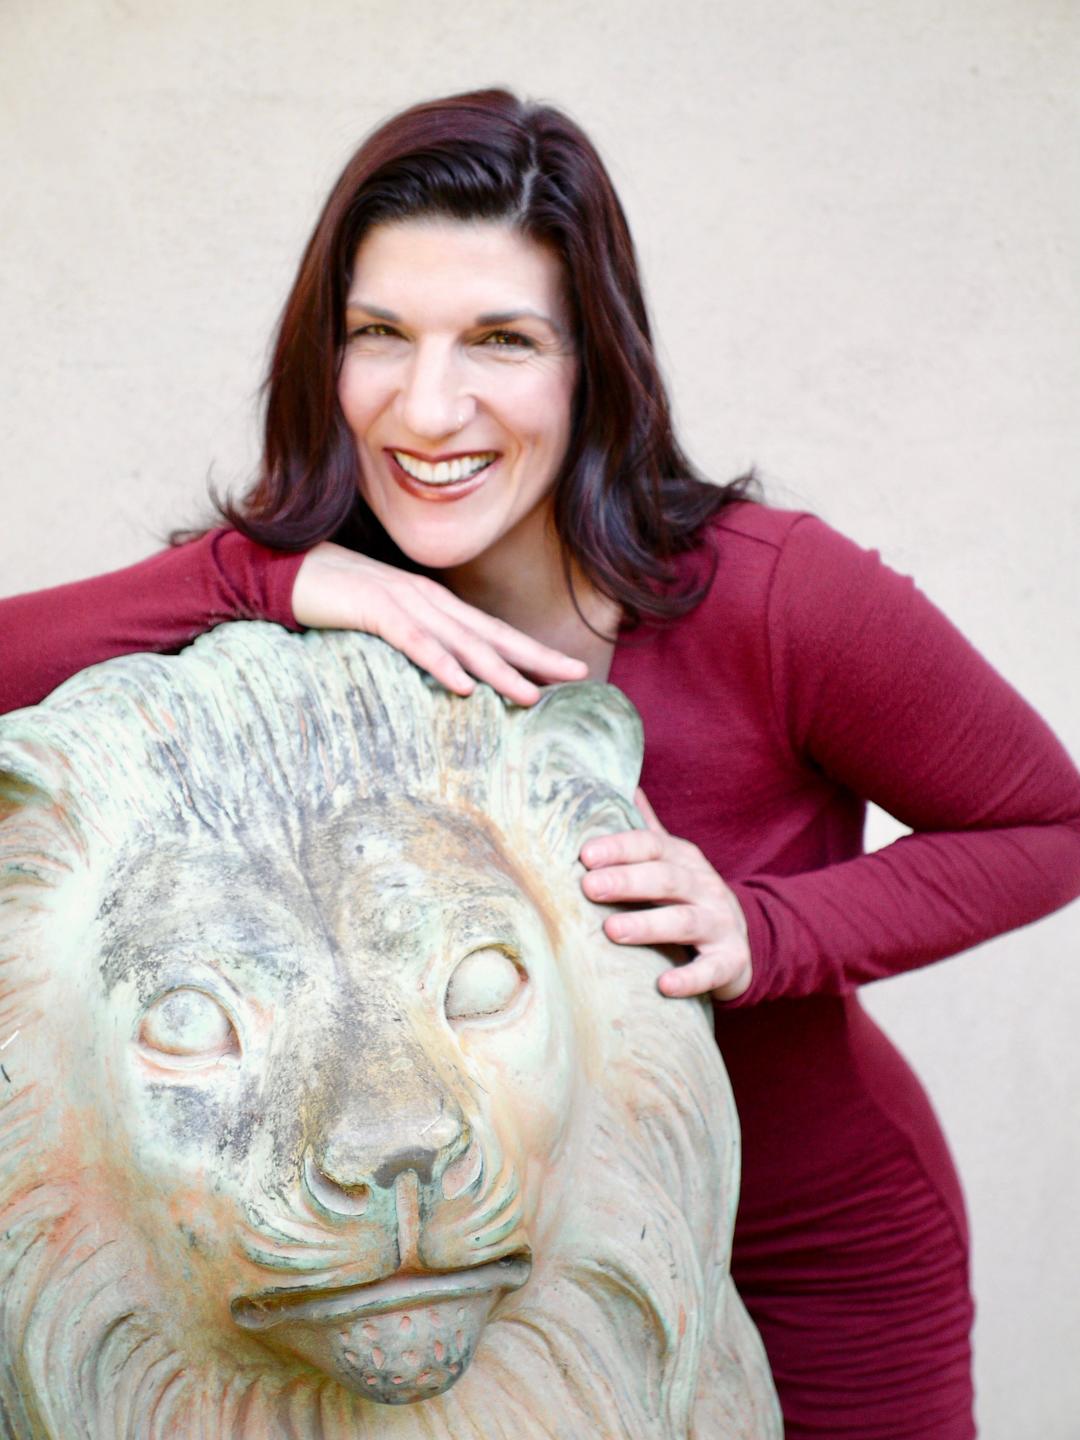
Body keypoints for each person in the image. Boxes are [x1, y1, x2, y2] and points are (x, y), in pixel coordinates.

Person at [3, 88, 1079, 1439]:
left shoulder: (776, 596)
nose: (427, 406)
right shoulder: (299, 616)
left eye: (500, 340)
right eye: (379, 336)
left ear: (590, 366)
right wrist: (266, 576)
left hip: (807, 1248)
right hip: (438, 1272)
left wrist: (766, 929)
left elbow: (1049, 826)